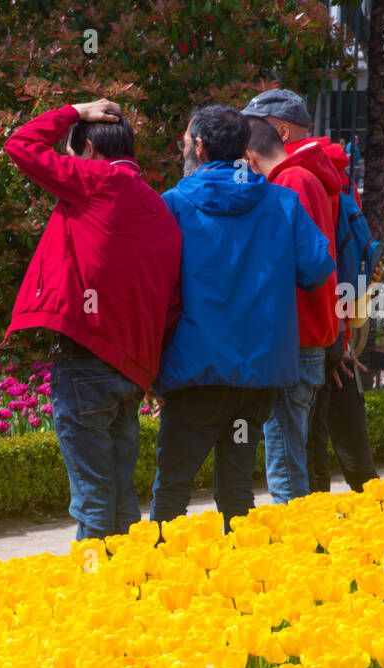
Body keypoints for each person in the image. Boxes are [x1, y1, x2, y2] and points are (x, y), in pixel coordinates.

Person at [2, 98, 182, 541]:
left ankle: (91, 600)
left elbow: (20, 145)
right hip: (131, 371)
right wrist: (154, 377)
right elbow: (172, 305)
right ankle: (128, 593)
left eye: (70, 153)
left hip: (84, 361)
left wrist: (74, 111)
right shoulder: (161, 211)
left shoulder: (97, 180)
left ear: (88, 152)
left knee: (94, 501)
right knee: (121, 498)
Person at [150, 105, 332, 534]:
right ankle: (244, 584)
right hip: (255, 377)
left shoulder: (174, 205)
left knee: (172, 487)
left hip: (194, 374)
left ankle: (155, 580)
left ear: (199, 146)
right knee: (236, 486)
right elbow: (317, 268)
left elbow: (154, 288)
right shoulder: (282, 202)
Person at [242, 88, 380, 494]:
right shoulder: (324, 173)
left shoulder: (294, 180)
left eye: (255, 130)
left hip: (306, 331)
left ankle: (306, 545)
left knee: (295, 456)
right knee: (309, 446)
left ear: (279, 132)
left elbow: (308, 264)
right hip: (324, 325)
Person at [243, 116, 340, 504]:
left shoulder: (288, 183)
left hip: (294, 341)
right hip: (311, 335)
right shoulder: (307, 178)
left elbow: (286, 263)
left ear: (250, 157)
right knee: (294, 452)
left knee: (284, 465)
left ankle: (298, 550)